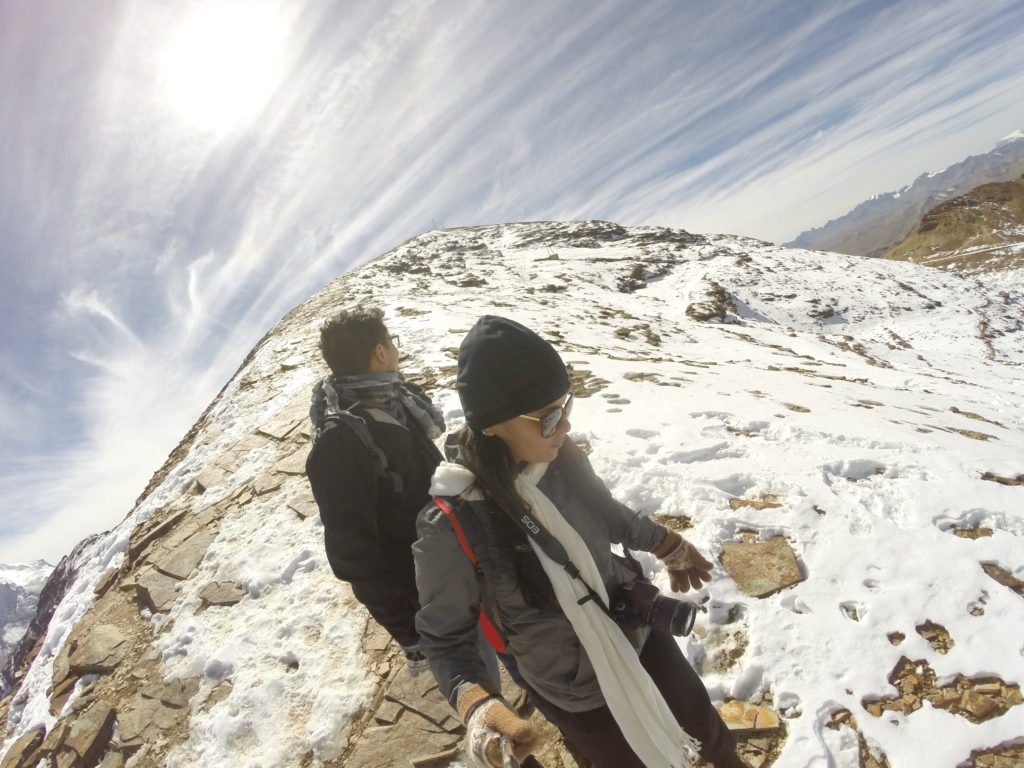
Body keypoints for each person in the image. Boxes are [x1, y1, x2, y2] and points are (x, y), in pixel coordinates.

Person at [413, 315, 745, 768]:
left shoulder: (559, 455)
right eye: (549, 418)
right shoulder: (452, 523)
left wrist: (665, 542)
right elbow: (445, 637)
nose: (565, 427)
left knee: (703, 727)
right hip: (576, 691)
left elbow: (607, 514)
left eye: (565, 407)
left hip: (638, 634)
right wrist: (474, 701)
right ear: (492, 425)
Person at [306, 307, 446, 673]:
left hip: (456, 566)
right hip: (429, 598)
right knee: (476, 681)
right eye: (391, 343)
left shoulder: (398, 403)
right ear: (380, 353)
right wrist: (410, 631)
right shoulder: (340, 441)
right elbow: (352, 553)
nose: (396, 351)